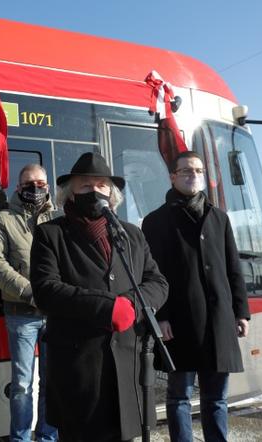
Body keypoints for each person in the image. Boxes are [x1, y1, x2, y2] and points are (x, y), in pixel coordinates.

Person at [30, 152, 168, 442]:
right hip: (79, 371)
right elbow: (46, 291)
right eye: (85, 186)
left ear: (112, 193)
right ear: (70, 192)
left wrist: (131, 304)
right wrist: (107, 308)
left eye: (101, 185)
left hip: (128, 370)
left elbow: (157, 282)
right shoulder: (50, 234)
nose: (94, 191)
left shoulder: (131, 234)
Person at [141, 151, 250, 442]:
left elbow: (232, 267)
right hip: (179, 322)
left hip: (219, 321)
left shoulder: (219, 218)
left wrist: (241, 311)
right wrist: (160, 317)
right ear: (172, 176)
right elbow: (152, 275)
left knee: (216, 398)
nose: (193, 175)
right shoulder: (155, 221)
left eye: (198, 170)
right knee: (179, 397)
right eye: (186, 170)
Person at [0, 164, 58, 442]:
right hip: (21, 313)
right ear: (18, 188)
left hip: (55, 314)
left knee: (52, 382)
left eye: (41, 183)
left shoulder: (58, 217)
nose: (35, 189)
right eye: (29, 184)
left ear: (48, 186)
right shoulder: (4, 219)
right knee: (22, 385)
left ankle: (48, 437)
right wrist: (28, 291)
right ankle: (20, 438)